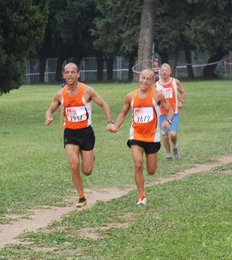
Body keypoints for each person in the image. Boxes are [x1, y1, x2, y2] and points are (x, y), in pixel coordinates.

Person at [45, 62, 113, 208]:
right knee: (74, 164)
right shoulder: (60, 94)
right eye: (67, 72)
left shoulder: (87, 90)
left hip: (86, 133)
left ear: (78, 74)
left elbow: (104, 104)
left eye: (73, 72)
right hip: (70, 133)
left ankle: (91, 157)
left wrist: (110, 121)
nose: (70, 75)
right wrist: (48, 117)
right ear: (64, 75)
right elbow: (50, 109)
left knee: (87, 171)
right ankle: (81, 196)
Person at [108, 68, 174, 206]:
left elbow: (170, 110)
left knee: (151, 171)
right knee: (138, 164)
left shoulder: (157, 95)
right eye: (143, 78)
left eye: (148, 79)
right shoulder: (130, 96)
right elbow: (123, 114)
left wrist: (167, 121)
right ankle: (141, 195)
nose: (145, 81)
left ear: (152, 81)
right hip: (136, 136)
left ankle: (144, 188)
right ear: (139, 78)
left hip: (152, 137)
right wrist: (115, 126)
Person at [155, 63, 186, 161]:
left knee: (173, 134)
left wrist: (181, 101)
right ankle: (168, 155)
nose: (164, 72)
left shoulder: (175, 82)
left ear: (170, 72)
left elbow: (183, 92)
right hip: (162, 114)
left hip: (174, 113)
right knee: (165, 136)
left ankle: (175, 146)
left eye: (166, 70)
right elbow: (154, 99)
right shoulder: (157, 85)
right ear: (160, 72)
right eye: (162, 70)